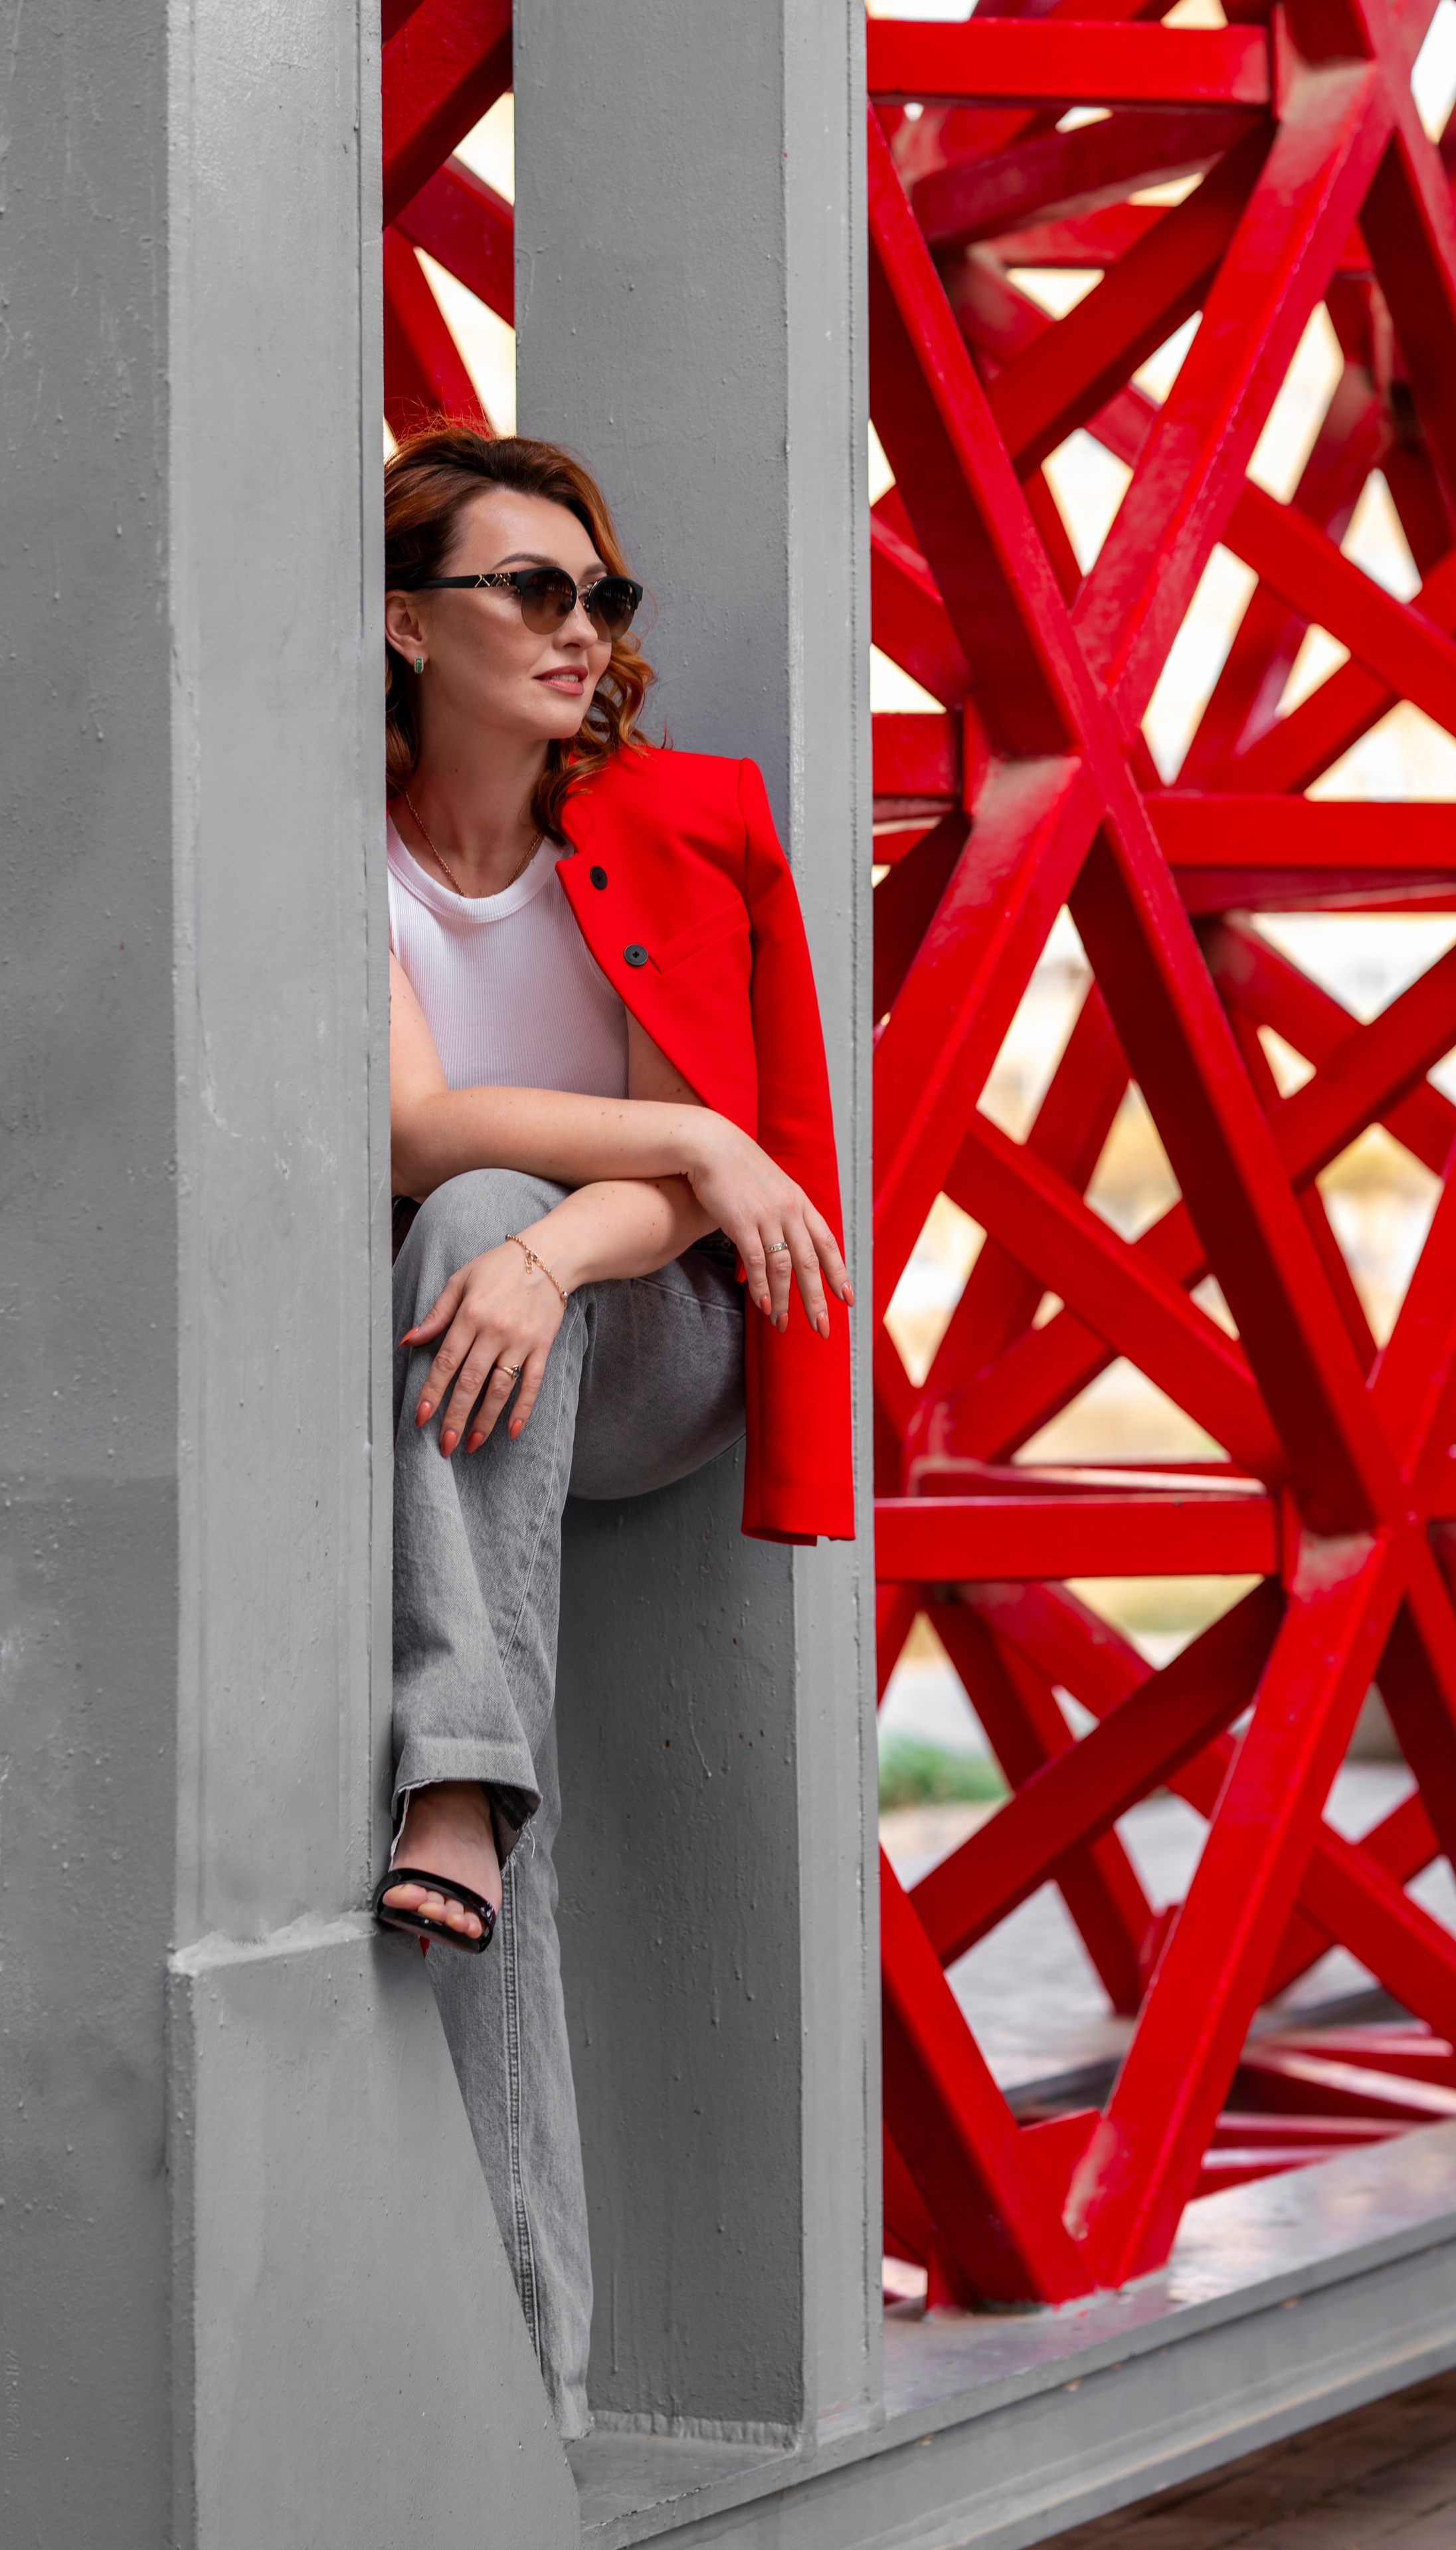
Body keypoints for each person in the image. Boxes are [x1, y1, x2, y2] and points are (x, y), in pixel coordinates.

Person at [375, 425, 854, 2441]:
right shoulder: (344, 842)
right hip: (462, 1359)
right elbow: (410, 1123)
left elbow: (712, 1219)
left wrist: (563, 1247)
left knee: (487, 1224)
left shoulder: (688, 820)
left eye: (605, 598)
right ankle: (536, 2389)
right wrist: (682, 1127)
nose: (585, 632)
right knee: (460, 1214)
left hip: (662, 1340)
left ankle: (456, 1768)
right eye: (533, 593)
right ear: (408, 624)